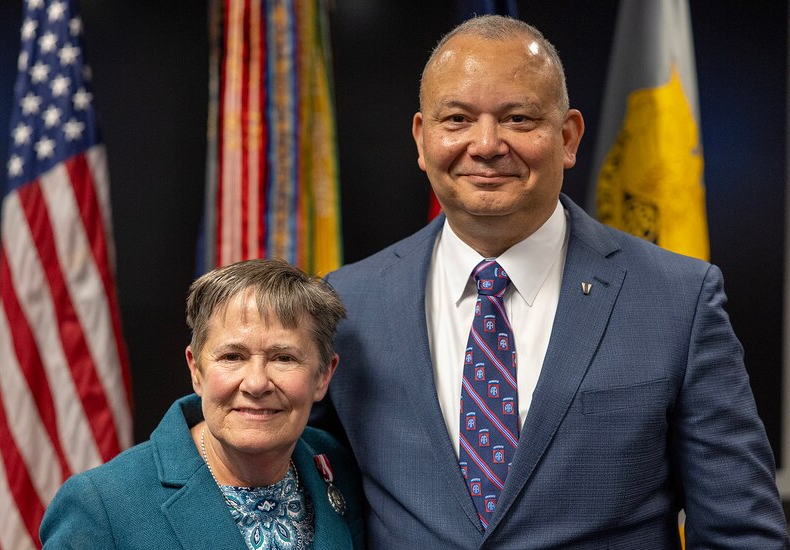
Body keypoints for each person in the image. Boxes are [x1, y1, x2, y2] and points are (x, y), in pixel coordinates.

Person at [320, 14, 789, 548]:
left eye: (518, 118)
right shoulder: (348, 303)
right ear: (423, 139)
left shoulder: (678, 301)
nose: (487, 144)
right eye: (457, 119)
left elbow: (741, 535)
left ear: (567, 137)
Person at [41, 258, 364, 549]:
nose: (255, 383)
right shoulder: (101, 505)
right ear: (196, 370)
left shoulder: (340, 467)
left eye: (284, 358)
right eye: (232, 357)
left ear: (323, 376)